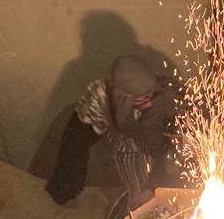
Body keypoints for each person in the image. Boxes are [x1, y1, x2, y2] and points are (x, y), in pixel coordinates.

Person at [46, 54, 176, 209]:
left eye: (151, 96)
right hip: (128, 151)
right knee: (141, 203)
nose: (148, 104)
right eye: (141, 99)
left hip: (162, 149)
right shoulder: (99, 100)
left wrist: (156, 184)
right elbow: (74, 147)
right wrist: (66, 192)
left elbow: (172, 145)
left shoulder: (165, 95)